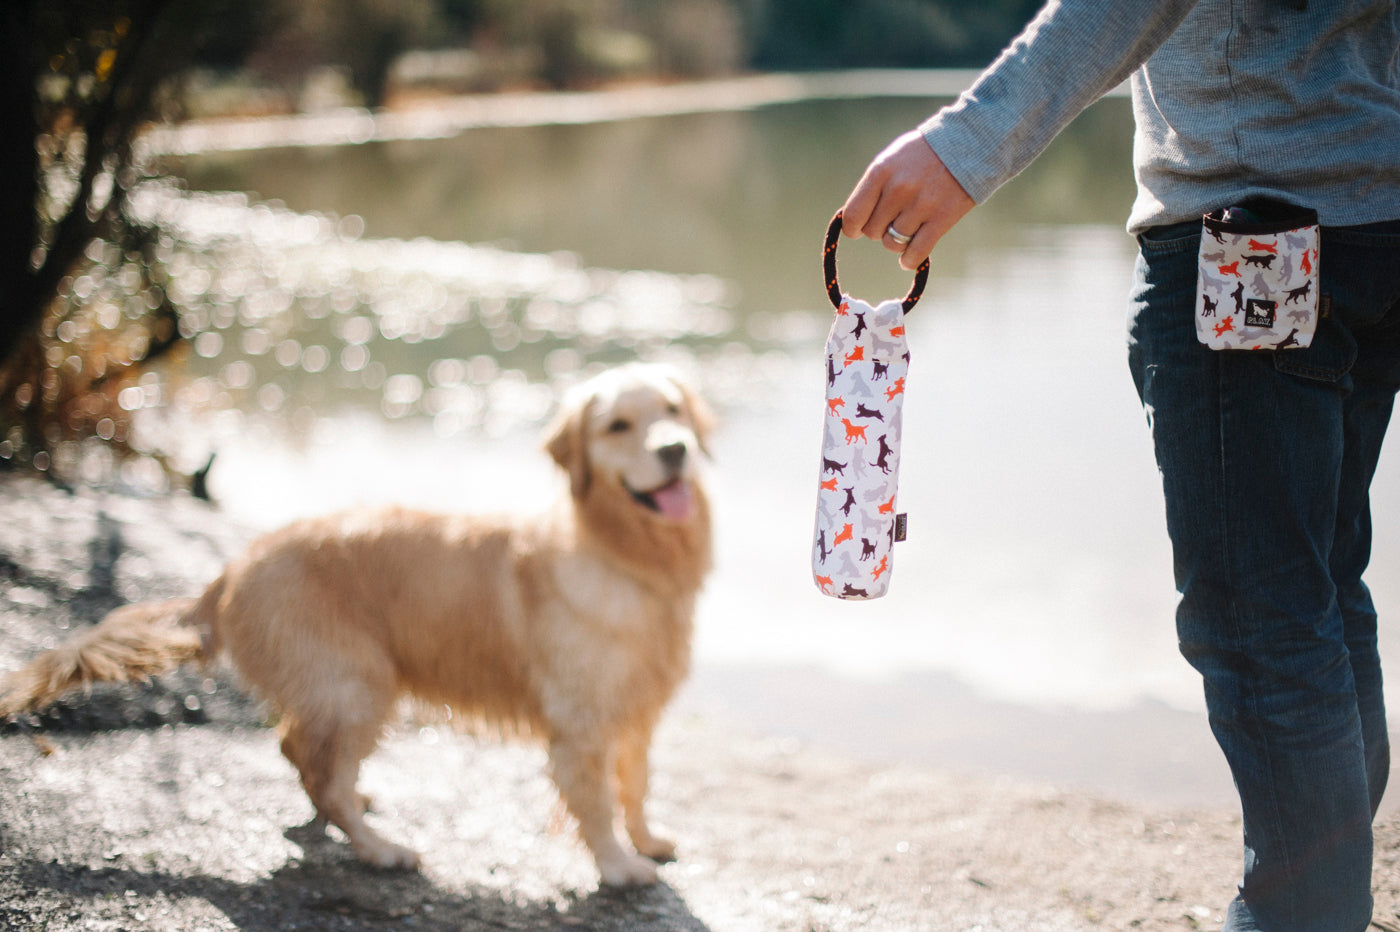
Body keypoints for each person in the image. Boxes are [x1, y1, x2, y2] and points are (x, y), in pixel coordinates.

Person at [841, 2, 1400, 930]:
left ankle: (1302, 915)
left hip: (1252, 232)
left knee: (1267, 627)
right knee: (1322, 595)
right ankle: (1323, 902)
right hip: (1375, 231)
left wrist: (965, 146)